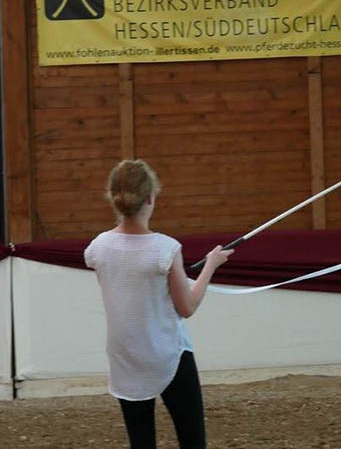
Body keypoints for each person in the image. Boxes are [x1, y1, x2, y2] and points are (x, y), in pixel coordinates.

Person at [84, 159, 233, 449]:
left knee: (141, 442)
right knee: (192, 440)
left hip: (125, 357)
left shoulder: (97, 247)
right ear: (151, 197)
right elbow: (186, 307)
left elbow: (130, 273)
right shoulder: (166, 248)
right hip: (166, 355)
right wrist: (211, 265)